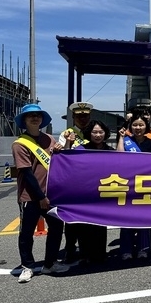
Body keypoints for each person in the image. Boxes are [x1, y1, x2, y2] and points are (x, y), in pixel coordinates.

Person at [12, 104, 69, 283]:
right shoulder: (19, 144)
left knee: (57, 228)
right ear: (24, 120)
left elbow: (57, 161)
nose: (35, 118)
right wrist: (40, 197)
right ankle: (27, 266)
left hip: (52, 193)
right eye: (30, 116)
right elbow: (27, 173)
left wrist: (61, 148)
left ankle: (50, 263)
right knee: (27, 232)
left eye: (37, 115)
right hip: (31, 196)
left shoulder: (49, 139)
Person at [64, 119, 113, 263]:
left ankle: (99, 254)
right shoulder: (82, 149)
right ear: (89, 133)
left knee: (100, 225)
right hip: (86, 193)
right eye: (94, 132)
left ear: (105, 133)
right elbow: (66, 158)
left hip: (103, 193)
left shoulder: (110, 151)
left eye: (101, 132)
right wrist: (68, 142)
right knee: (85, 225)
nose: (98, 135)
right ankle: (85, 254)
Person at [117, 111, 151, 260]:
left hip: (146, 184)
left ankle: (143, 248)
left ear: (146, 126)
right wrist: (121, 138)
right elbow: (119, 156)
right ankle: (126, 249)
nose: (138, 127)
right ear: (130, 126)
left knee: (145, 217)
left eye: (141, 124)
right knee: (127, 217)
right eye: (135, 124)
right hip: (128, 184)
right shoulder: (126, 140)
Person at [59, 101, 93, 263]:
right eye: (79, 116)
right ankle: (70, 249)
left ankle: (87, 250)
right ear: (73, 117)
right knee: (72, 219)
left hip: (92, 181)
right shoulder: (67, 133)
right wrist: (69, 143)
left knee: (89, 218)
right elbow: (63, 157)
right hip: (74, 183)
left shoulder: (94, 131)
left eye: (85, 116)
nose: (83, 119)